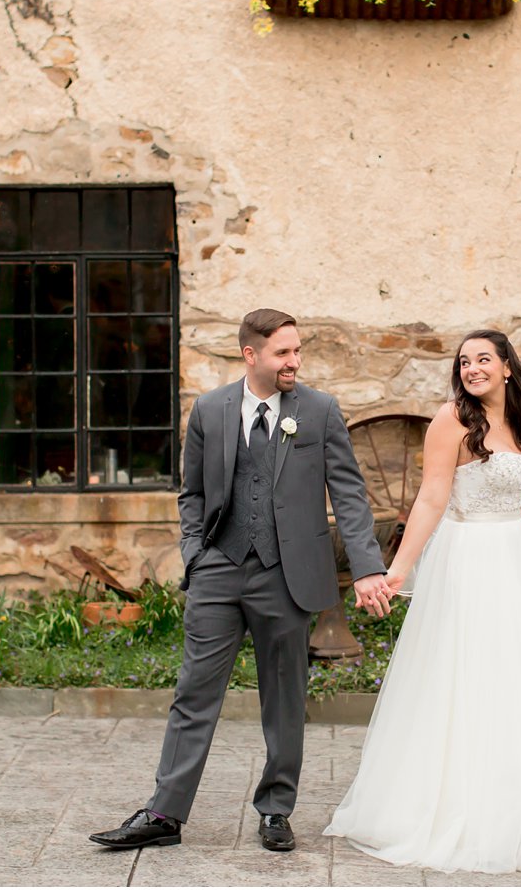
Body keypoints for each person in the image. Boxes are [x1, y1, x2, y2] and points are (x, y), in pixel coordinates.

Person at [323, 328, 521, 874]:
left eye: (484, 359)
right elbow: (433, 496)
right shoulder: (452, 421)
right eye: (464, 361)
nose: (472, 368)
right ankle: (463, 806)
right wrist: (398, 570)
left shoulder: (518, 419)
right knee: (471, 675)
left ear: (507, 367)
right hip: (471, 559)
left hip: (515, 557)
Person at [91, 309, 391, 853]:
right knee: (193, 693)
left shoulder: (319, 411)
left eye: (297, 351)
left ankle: (276, 809)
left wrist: (369, 565)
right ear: (250, 355)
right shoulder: (210, 410)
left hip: (288, 574)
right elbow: (194, 495)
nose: (294, 362)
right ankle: (165, 813)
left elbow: (348, 493)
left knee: (285, 700)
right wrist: (196, 555)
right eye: (283, 352)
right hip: (219, 571)